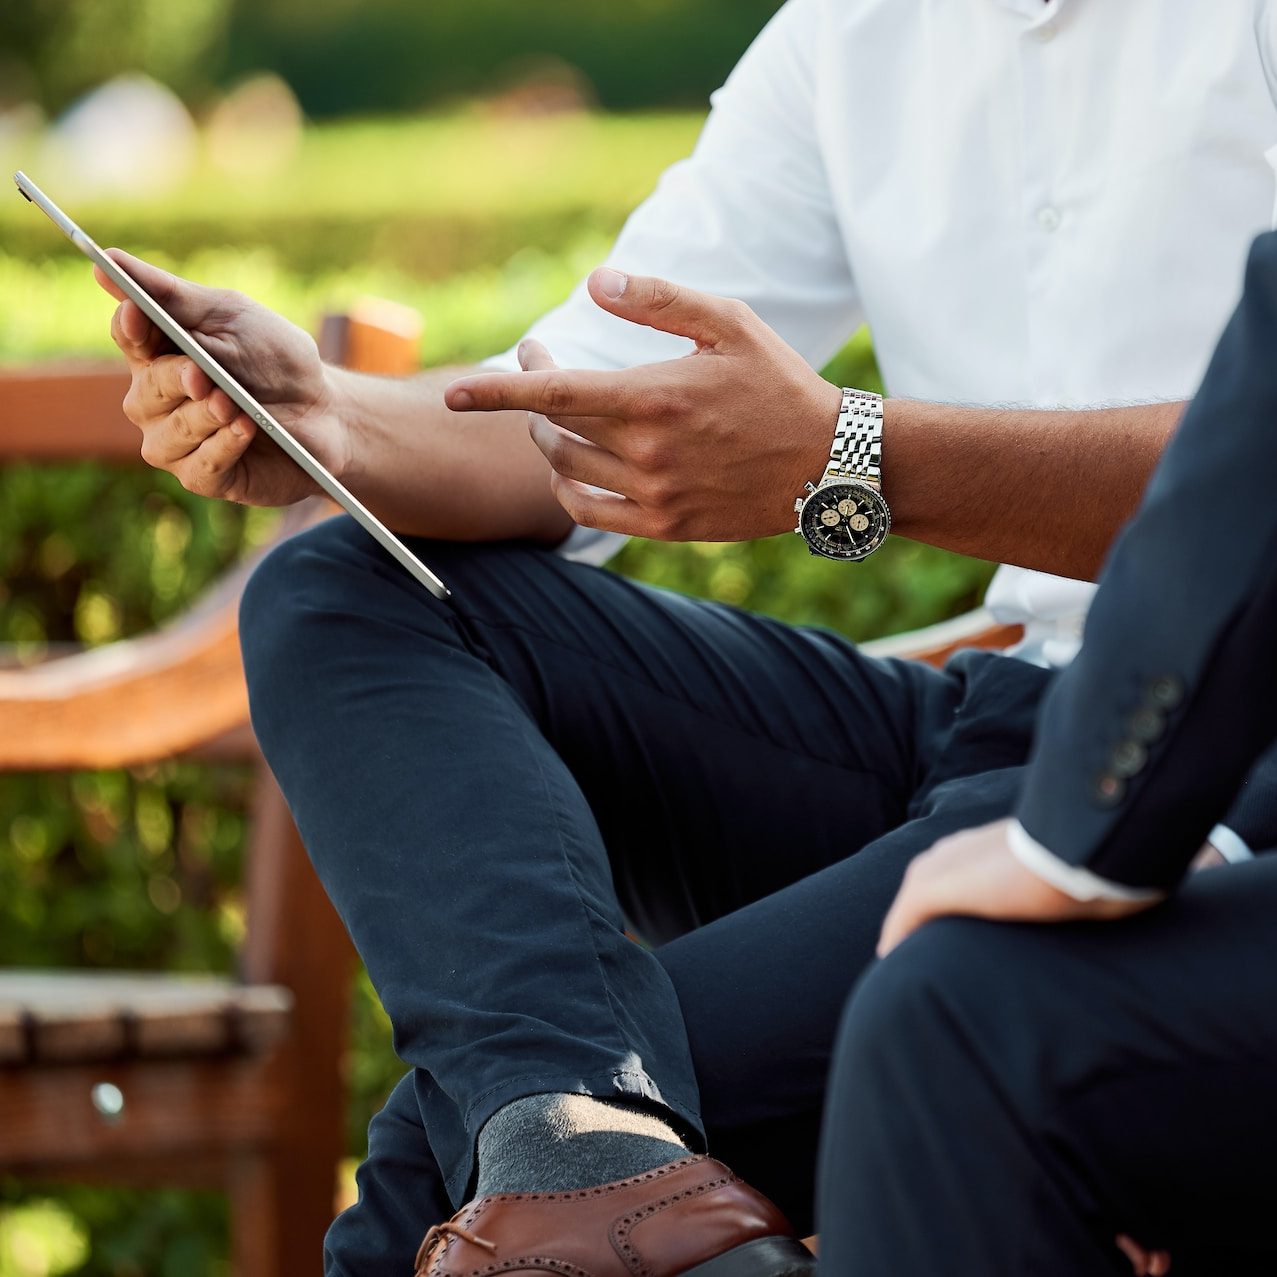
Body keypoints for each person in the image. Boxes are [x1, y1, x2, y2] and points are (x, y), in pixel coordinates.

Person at [95, 2, 1277, 1273]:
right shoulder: (851, 32)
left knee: (431, 1183)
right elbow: (583, 402)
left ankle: (572, 1153)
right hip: (990, 716)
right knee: (341, 589)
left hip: (1211, 745)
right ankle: (583, 1141)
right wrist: (327, 418)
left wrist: (853, 454)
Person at [815, 229, 1277, 1277]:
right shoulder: (824, 62)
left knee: (951, 1022)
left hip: (1128, 759)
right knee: (495, 1108)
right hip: (991, 707)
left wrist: (1097, 833)